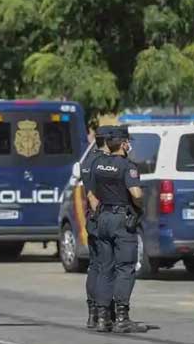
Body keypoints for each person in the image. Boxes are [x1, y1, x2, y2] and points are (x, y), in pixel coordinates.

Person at [88, 126, 147, 333]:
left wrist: (101, 213)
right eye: (127, 142)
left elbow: (92, 195)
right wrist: (140, 205)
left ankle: (103, 318)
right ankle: (122, 317)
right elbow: (136, 193)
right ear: (123, 144)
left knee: (105, 267)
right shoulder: (127, 166)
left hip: (102, 218)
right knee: (125, 267)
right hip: (121, 220)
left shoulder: (97, 164)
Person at [80, 123, 111, 328]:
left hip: (92, 218)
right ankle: (103, 314)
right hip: (103, 216)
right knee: (106, 267)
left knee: (95, 266)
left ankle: (92, 313)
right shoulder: (104, 162)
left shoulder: (87, 161)